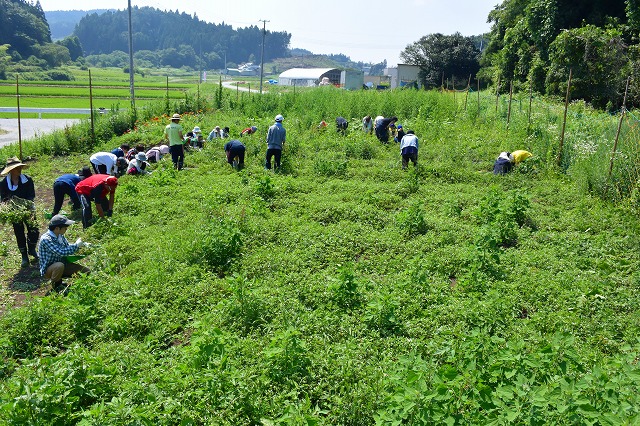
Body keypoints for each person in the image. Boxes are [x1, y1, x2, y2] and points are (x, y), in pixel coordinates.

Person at [0, 157, 39, 267]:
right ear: (11, 170)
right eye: (17, 168)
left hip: (28, 209)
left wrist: (24, 204)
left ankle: (32, 249)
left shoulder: (27, 180)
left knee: (34, 230)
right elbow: (3, 198)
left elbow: (31, 195)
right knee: (19, 232)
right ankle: (24, 256)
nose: (20, 170)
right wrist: (8, 206)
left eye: (20, 167)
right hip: (14, 212)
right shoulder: (3, 184)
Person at [38, 214, 90, 293]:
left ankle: (63, 283)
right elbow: (61, 252)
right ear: (57, 228)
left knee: (86, 271)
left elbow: (67, 246)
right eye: (65, 227)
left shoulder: (60, 236)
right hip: (49, 269)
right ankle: (56, 285)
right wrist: (76, 245)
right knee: (59, 265)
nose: (66, 229)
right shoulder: (46, 239)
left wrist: (82, 245)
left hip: (62, 265)